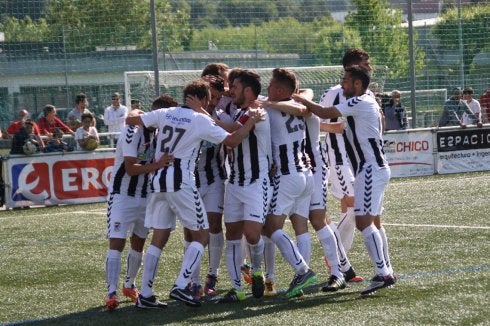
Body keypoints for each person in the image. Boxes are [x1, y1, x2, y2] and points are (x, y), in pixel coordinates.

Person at [126, 79, 264, 308]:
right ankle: (181, 285)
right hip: (181, 181)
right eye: (208, 99)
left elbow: (131, 120)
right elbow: (232, 139)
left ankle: (146, 294)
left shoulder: (165, 112)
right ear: (201, 99)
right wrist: (251, 122)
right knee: (202, 236)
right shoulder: (200, 119)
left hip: (158, 180)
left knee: (158, 238)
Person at [294, 65, 396, 295]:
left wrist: (296, 98)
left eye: (347, 81)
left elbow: (324, 111)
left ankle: (383, 273)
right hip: (369, 169)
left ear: (358, 84)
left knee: (363, 221)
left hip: (371, 169)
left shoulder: (360, 101)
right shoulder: (363, 103)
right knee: (366, 220)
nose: (343, 84)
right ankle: (384, 270)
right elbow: (334, 124)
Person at [261, 68, 348, 296]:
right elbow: (303, 99)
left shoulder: (300, 106)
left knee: (317, 219)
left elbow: (304, 100)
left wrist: (278, 102)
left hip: (312, 167)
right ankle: (304, 277)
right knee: (301, 225)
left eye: (270, 85)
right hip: (304, 169)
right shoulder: (297, 105)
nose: (266, 89)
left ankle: (337, 272)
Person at [104, 102, 175, 310]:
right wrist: (157, 165)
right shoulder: (133, 130)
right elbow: (130, 168)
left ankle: (129, 285)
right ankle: (111, 292)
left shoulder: (160, 134)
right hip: (122, 195)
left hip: (145, 196)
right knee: (117, 242)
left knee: (139, 242)